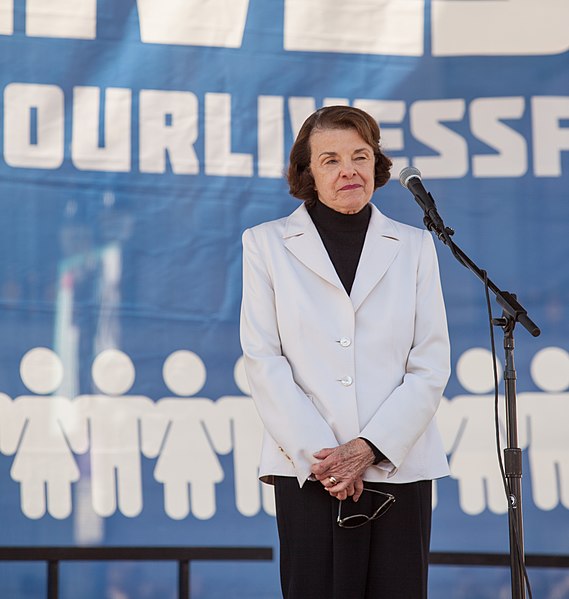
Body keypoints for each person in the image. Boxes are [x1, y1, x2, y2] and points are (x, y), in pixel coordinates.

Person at [240, 105, 450, 599]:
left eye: (360, 155)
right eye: (330, 159)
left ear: (377, 164)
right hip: (311, 471)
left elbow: (430, 363)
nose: (348, 170)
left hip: (397, 465)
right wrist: (330, 460)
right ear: (307, 171)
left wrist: (369, 448)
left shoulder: (416, 246)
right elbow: (264, 359)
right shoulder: (266, 245)